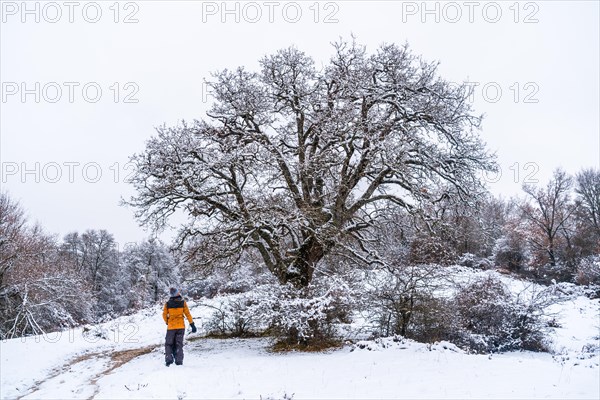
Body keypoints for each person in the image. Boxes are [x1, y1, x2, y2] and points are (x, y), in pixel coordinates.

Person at [163, 287, 196, 366]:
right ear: (177, 293)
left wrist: (167, 321)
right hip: (181, 327)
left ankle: (169, 360)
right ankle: (179, 361)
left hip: (171, 327)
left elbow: (164, 315)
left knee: (169, 344)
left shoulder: (168, 304)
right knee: (179, 344)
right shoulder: (182, 302)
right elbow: (187, 314)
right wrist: (192, 324)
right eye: (178, 292)